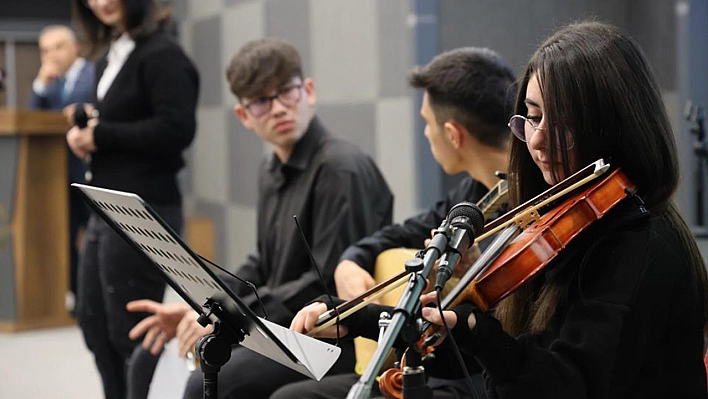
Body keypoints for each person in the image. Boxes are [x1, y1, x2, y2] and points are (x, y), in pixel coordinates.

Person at [291, 21, 708, 399]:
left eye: (561, 121)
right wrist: (355, 320)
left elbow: (566, 385)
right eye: (532, 116)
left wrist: (478, 327)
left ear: (613, 124)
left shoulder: (640, 243)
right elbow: (466, 359)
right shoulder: (563, 218)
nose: (537, 142)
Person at [126, 38, 394, 399]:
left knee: (213, 379)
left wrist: (229, 314)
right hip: (282, 327)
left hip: (334, 339)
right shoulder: (271, 167)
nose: (279, 108)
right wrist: (206, 305)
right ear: (244, 116)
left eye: (287, 92)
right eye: (262, 101)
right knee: (149, 358)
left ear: (308, 91)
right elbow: (263, 264)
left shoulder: (341, 169)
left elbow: (328, 283)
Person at [271, 47, 516, 399]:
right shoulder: (471, 193)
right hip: (433, 359)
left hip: (474, 375)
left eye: (426, 124)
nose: (426, 134)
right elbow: (401, 233)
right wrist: (352, 259)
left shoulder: (531, 203)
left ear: (452, 134)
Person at [68, 0, 199, 398]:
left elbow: (176, 129)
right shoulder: (112, 53)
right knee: (94, 326)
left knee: (131, 338)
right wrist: (88, 128)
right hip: (106, 207)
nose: (101, 2)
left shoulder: (163, 53)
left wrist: (101, 135)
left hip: (145, 210)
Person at [28, 24, 95, 312]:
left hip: (92, 172)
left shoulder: (94, 74)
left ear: (75, 47)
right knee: (65, 240)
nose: (51, 55)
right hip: (58, 178)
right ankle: (78, 299)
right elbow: (32, 122)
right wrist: (40, 86)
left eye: (57, 47)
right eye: (44, 50)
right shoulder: (50, 84)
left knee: (95, 238)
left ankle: (94, 299)